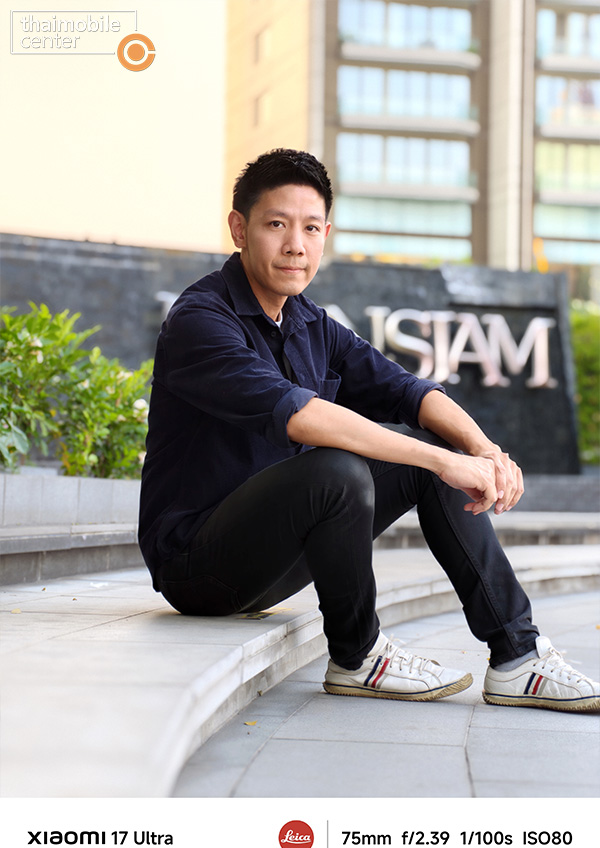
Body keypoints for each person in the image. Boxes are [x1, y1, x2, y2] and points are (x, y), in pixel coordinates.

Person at [138, 148, 599, 713]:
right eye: (276, 225)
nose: (295, 245)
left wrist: (483, 451)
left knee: (428, 454)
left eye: (311, 228)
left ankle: (517, 658)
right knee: (340, 468)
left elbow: (408, 390)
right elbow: (300, 415)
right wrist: (445, 461)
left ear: (326, 235)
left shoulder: (309, 321)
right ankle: (357, 657)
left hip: (271, 557)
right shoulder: (201, 320)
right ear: (239, 229)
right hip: (198, 568)